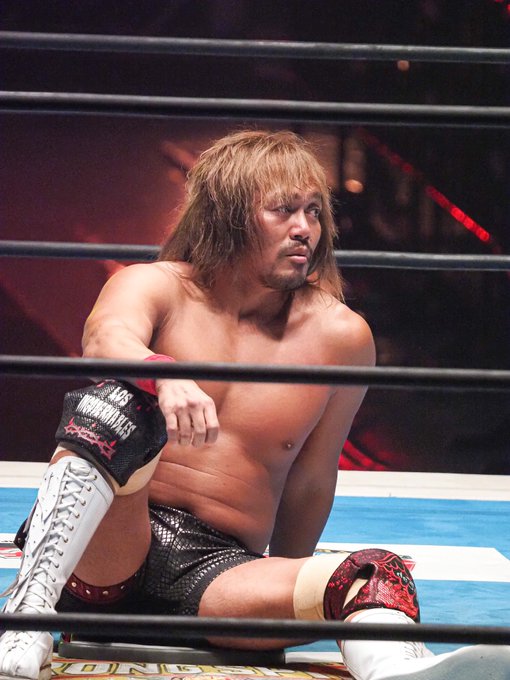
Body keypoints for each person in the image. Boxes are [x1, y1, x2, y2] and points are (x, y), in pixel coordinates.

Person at [0, 130, 508, 680]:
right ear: (228, 216)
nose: (304, 228)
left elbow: (312, 479)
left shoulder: (341, 338)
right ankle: (26, 618)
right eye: (283, 210)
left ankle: (399, 673)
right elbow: (105, 339)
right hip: (109, 545)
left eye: (314, 211)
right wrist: (162, 374)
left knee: (372, 574)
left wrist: (285, 588)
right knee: (114, 404)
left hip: (218, 574)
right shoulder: (158, 286)